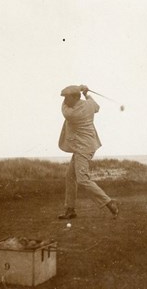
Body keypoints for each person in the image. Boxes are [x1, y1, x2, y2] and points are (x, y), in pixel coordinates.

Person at [58, 84, 119, 219]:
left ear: (75, 97)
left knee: (83, 180)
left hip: (83, 148)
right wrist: (86, 93)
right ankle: (70, 210)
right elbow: (96, 107)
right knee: (70, 176)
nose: (65, 100)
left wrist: (81, 91)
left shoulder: (71, 113)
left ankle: (109, 202)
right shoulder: (89, 105)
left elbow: (64, 110)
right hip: (85, 145)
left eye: (67, 98)